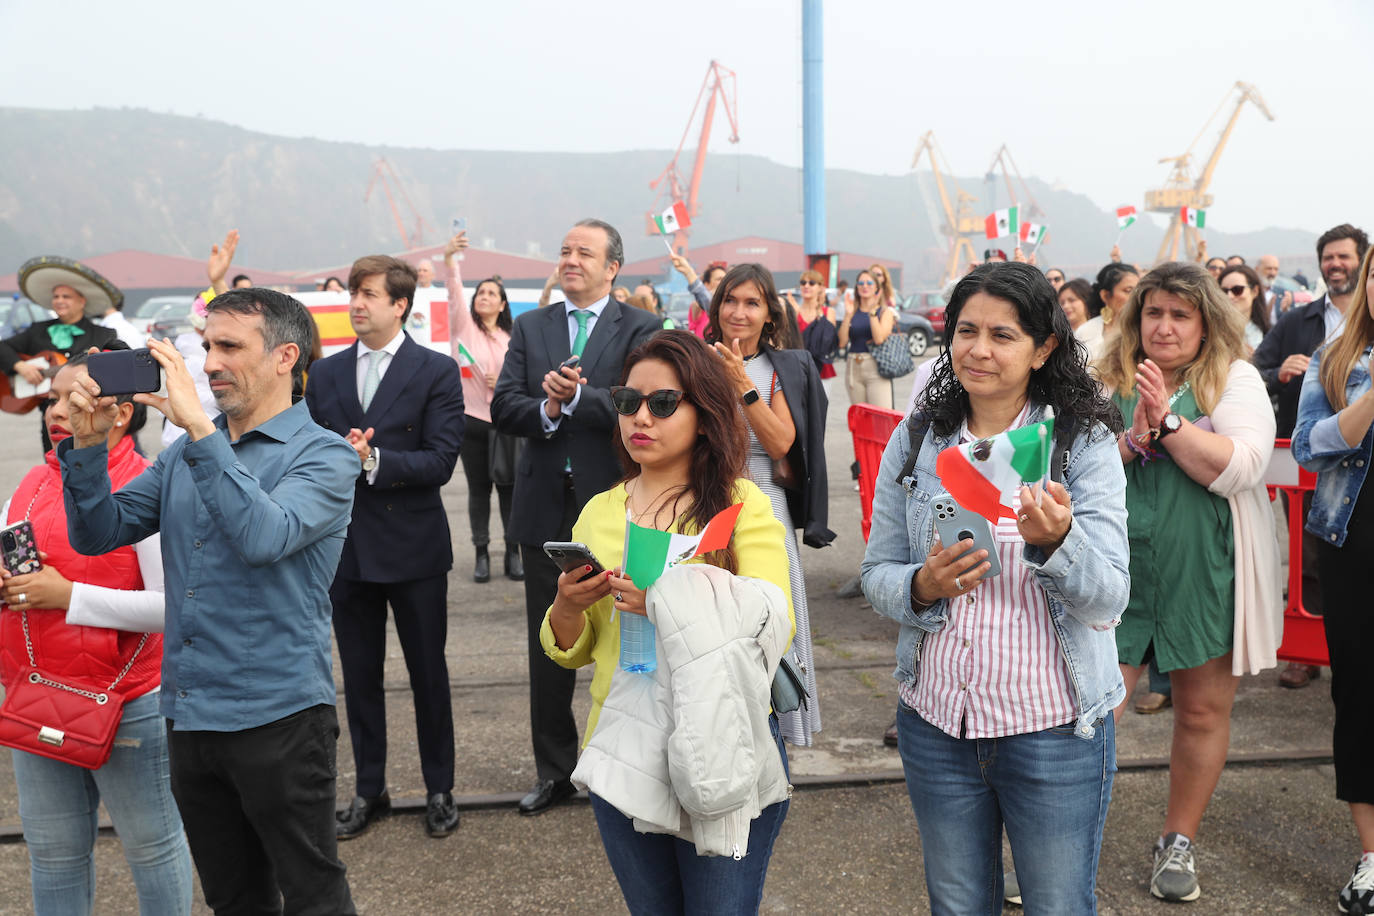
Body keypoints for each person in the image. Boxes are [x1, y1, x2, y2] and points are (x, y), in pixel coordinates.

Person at [60, 288, 360, 914]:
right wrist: (87, 449)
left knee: (312, 895)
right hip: (191, 715)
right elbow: (98, 533)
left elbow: (263, 536)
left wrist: (197, 427)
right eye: (207, 346)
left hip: (279, 715)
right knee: (233, 899)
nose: (211, 362)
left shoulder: (325, 456)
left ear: (286, 357)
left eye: (230, 346)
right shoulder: (185, 456)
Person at [861, 260, 1129, 914]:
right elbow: (877, 574)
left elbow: (1108, 597)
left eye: (1003, 335)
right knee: (956, 905)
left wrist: (1059, 541)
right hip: (936, 724)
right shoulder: (920, 435)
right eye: (966, 330)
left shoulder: (1079, 440)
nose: (979, 350)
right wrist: (921, 586)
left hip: (1053, 730)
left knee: (1058, 904)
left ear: (1043, 348)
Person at [541, 330, 794, 914]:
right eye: (628, 402)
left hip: (720, 737)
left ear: (704, 417)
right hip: (625, 739)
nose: (640, 418)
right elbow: (572, 650)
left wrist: (665, 599)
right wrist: (569, 607)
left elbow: (773, 622)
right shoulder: (599, 512)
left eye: (662, 404)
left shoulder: (738, 503)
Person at [1097, 261, 1281, 903]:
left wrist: (1169, 425)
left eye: (1181, 314)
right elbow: (1068, 459)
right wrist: (1131, 437)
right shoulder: (1102, 377)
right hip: (1111, 574)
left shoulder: (1234, 379)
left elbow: (1244, 466)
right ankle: (1060, 836)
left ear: (1206, 322)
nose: (1165, 326)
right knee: (1089, 713)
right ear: (1135, 318)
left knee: (1201, 712)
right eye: (1154, 313)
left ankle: (1179, 841)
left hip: (1204, 570)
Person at [0, 356, 192, 915]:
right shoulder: (31, 482)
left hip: (129, 700)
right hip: (38, 691)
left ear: (122, 413)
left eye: (74, 400)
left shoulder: (147, 485)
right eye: (53, 400)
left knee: (151, 847)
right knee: (53, 854)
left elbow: (172, 607)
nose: (58, 412)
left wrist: (69, 598)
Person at [490, 218, 662, 816]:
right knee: (550, 642)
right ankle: (555, 770)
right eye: (564, 251)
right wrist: (545, 406)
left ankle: (627, 761)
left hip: (616, 504)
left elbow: (639, 403)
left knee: (627, 637)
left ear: (612, 267)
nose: (571, 260)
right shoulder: (532, 325)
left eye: (584, 252)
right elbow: (504, 405)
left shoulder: (642, 326)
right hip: (543, 507)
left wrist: (576, 398)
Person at [304, 255, 466, 842]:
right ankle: (368, 788)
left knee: (429, 673)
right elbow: (308, 453)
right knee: (360, 677)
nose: (356, 303)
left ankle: (439, 787)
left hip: (414, 548)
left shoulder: (435, 371)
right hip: (346, 551)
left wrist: (373, 459)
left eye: (369, 294)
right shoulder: (324, 375)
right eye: (353, 292)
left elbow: (441, 461)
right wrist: (335, 458)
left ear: (401, 304)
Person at [706, 264, 832, 746]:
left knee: (774, 621)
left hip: (765, 502)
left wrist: (742, 382)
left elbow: (780, 443)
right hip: (706, 501)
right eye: (731, 300)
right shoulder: (695, 361)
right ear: (716, 308)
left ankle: (778, 733)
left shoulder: (786, 366)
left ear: (769, 316)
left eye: (752, 302)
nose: (739, 311)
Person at [1292, 245, 1374, 916]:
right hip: (1358, 549)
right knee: (1363, 695)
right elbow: (1307, 445)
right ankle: (1373, 859)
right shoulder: (1336, 360)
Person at [1253, 224, 1369, 688]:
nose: (1336, 265)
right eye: (1329, 258)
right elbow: (1254, 368)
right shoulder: (1299, 323)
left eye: (1345, 257)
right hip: (1314, 466)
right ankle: (1308, 653)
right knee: (1306, 554)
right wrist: (1279, 371)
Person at [444, 231, 522, 582]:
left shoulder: (512, 338)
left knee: (509, 489)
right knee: (479, 490)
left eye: (492, 293)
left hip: (505, 423)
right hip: (471, 421)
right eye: (481, 293)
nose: (484, 297)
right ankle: (481, 554)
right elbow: (455, 294)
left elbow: (525, 379)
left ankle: (512, 553)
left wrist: (502, 383)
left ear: (503, 304)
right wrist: (450, 262)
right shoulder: (464, 328)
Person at [3, 258, 121, 390]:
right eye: (56, 297)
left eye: (66, 297)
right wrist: (20, 366)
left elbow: (114, 372)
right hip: (47, 405)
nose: (59, 301)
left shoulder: (104, 335)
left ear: (82, 301)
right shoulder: (37, 330)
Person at [838, 269, 898, 409]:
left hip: (876, 368)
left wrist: (872, 312)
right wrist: (847, 315)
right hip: (853, 365)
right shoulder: (852, 312)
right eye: (861, 283)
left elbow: (878, 339)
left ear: (877, 288)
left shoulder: (884, 312)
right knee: (860, 419)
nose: (865, 286)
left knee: (881, 417)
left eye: (869, 283)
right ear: (857, 287)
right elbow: (842, 342)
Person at [1078, 262, 1140, 362]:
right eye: (1128, 291)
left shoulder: (1143, 330)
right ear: (1105, 295)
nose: (1135, 296)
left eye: (1138, 290)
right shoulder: (1086, 332)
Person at [791, 269, 839, 396]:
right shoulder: (793, 312)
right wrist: (794, 314)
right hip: (797, 369)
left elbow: (826, 344)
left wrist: (820, 313)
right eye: (803, 282)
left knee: (819, 413)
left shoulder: (828, 312)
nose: (806, 286)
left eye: (812, 283)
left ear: (821, 288)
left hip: (821, 370)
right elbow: (790, 343)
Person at [1218, 264, 1271, 354]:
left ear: (1255, 291)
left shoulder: (1270, 334)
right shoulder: (1212, 334)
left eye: (1237, 290)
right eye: (1224, 291)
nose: (1229, 296)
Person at [670, 255, 724, 338]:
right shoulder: (700, 306)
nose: (723, 282)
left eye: (725, 279)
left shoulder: (726, 310)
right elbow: (703, 297)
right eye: (719, 279)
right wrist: (689, 272)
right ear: (706, 284)